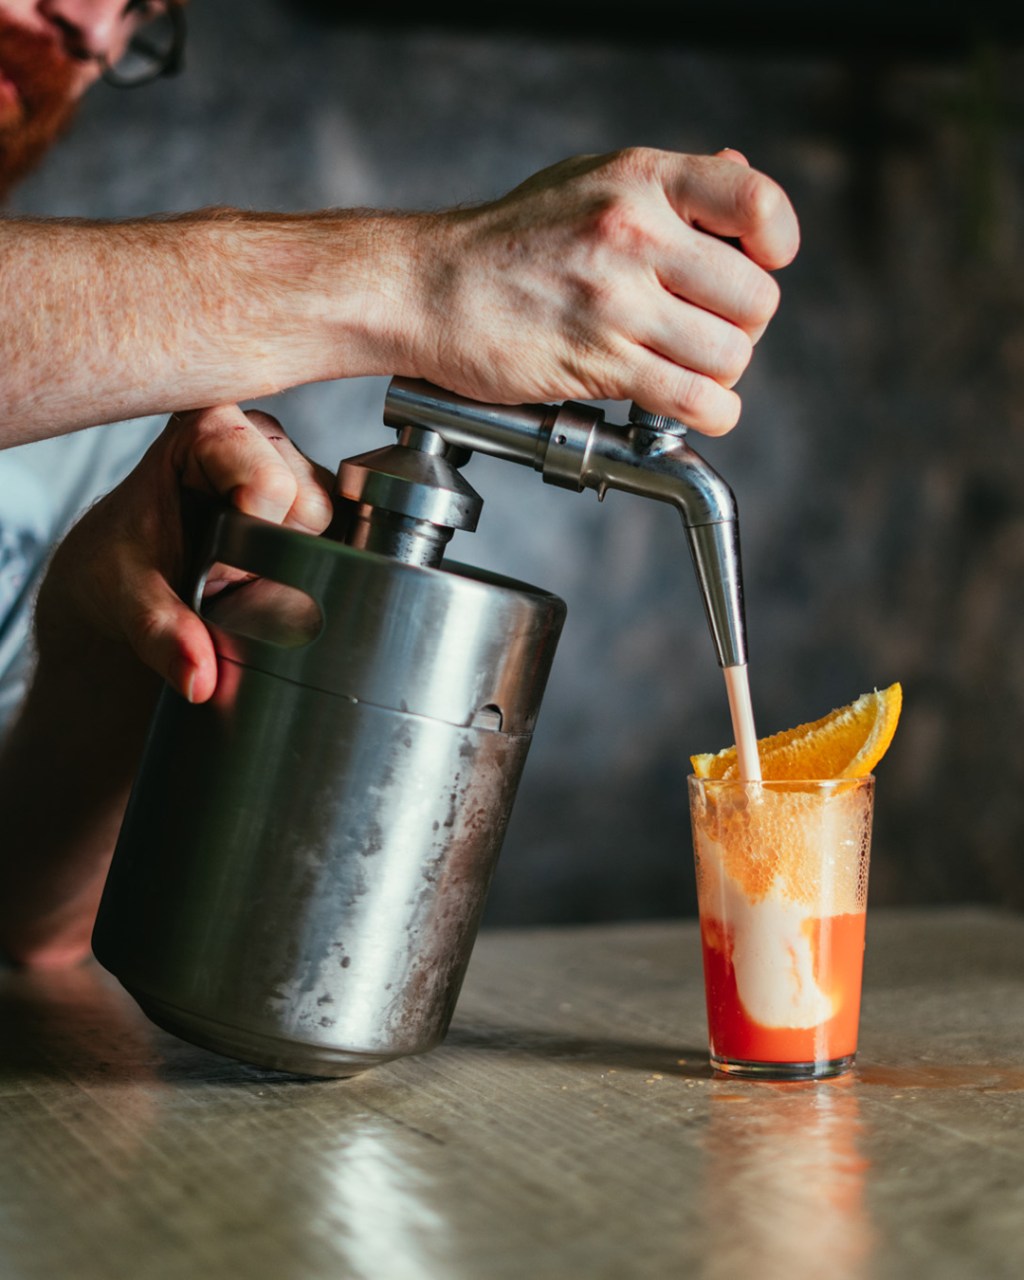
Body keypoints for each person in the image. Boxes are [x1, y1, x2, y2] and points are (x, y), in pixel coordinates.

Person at [0, 0, 801, 967]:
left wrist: (94, 647)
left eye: (143, 12)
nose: (94, 33)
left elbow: (28, 924)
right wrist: (419, 280)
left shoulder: (107, 407)